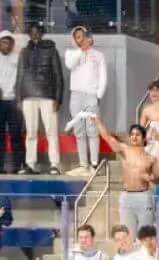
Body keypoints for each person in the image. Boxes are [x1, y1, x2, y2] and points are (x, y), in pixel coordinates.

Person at [17, 22, 62, 175]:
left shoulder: (51, 50)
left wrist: (58, 98)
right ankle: (31, 163)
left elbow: (58, 75)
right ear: (29, 34)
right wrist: (19, 98)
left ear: (41, 33)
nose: (35, 34)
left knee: (51, 131)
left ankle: (54, 164)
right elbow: (20, 76)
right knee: (31, 132)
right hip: (28, 96)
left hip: (47, 96)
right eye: (32, 32)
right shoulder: (24, 52)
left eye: (37, 32)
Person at [62, 27, 105, 175]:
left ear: (88, 37)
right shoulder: (71, 53)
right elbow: (70, 65)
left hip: (91, 95)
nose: (80, 39)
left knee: (92, 130)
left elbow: (103, 76)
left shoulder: (98, 55)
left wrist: (98, 94)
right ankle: (83, 165)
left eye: (82, 36)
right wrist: (81, 50)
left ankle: (94, 164)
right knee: (79, 131)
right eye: (77, 37)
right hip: (76, 96)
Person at [0, 31, 22, 175]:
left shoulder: (18, 58)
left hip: (14, 103)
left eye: (8, 42)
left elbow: (21, 79)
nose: (6, 45)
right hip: (0, 103)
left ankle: (18, 165)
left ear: (13, 44)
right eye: (3, 42)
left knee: (16, 135)